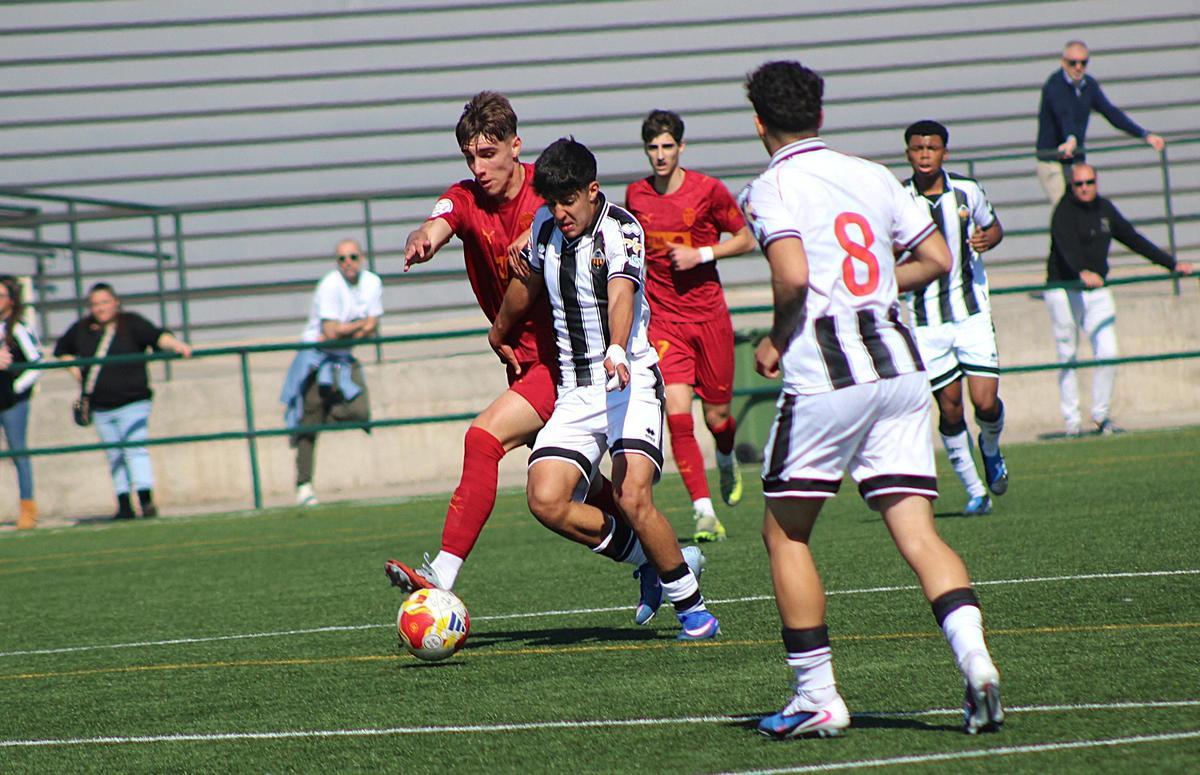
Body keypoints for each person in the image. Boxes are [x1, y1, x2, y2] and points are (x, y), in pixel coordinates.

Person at [738, 61, 1003, 739]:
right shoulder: (874, 175)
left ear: (760, 122)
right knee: (918, 532)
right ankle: (977, 663)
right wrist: (877, 284)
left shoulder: (769, 187)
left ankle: (816, 696)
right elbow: (938, 258)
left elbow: (793, 274)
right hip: (901, 369)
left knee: (785, 533)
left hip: (828, 376)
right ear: (820, 115)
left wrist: (776, 337)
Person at [385, 93, 648, 613]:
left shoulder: (545, 198)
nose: (478, 168)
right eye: (469, 157)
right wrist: (423, 237)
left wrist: (536, 235)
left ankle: (443, 571)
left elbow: (576, 233)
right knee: (584, 491)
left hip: (564, 362)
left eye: (488, 154)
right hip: (525, 365)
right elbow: (440, 220)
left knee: (482, 440)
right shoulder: (465, 199)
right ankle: (663, 560)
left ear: (515, 146)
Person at [489, 137, 719, 639]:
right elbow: (526, 286)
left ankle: (694, 610)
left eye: (569, 200)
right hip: (576, 391)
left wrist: (617, 346)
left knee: (631, 494)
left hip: (627, 381)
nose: (560, 212)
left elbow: (622, 294)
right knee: (545, 498)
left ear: (592, 191)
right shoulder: (544, 227)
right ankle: (652, 561)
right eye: (552, 202)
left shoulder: (622, 229)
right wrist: (499, 331)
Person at [624, 109, 757, 542]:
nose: (660, 155)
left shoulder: (708, 190)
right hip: (665, 322)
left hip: (709, 318)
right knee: (677, 414)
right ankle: (704, 513)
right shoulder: (636, 195)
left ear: (681, 147)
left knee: (717, 417)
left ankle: (726, 456)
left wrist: (702, 254)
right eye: (653, 148)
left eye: (667, 146)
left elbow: (746, 238)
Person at [902, 120, 1008, 517]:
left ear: (945, 152)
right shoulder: (898, 199)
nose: (925, 155)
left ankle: (991, 446)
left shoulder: (967, 191)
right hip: (925, 321)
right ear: (908, 153)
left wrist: (988, 238)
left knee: (985, 402)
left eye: (932, 148)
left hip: (970, 314)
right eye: (917, 148)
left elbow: (994, 228)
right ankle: (975, 491)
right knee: (949, 409)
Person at [1045, 163, 1194, 436]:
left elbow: (1133, 239)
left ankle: (1101, 416)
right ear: (1071, 185)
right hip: (1065, 288)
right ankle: (1072, 423)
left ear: (1096, 182)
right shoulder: (1063, 212)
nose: (1085, 188)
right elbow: (1065, 248)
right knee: (1067, 354)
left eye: (1089, 182)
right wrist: (1080, 272)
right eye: (1079, 184)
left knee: (1108, 352)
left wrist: (1171, 264)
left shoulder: (1104, 209)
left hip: (1098, 290)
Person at [54, 283, 192, 520]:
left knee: (135, 449)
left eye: (105, 302)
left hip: (133, 401)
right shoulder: (82, 329)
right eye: (95, 304)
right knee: (114, 454)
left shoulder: (131, 323)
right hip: (101, 406)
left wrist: (177, 345)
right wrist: (75, 369)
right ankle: (124, 503)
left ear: (115, 302)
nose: (100, 308)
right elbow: (61, 349)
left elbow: (158, 337)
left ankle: (145, 500)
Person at [281, 239, 380, 506]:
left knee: (360, 412)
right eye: (342, 259)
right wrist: (359, 325)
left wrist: (346, 329)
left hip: (343, 358)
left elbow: (371, 326)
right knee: (308, 427)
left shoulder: (372, 282)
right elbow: (330, 331)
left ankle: (321, 415)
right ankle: (303, 486)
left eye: (353, 257)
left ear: (361, 258)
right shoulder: (330, 285)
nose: (348, 263)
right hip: (316, 358)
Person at [1035, 40, 1166, 205]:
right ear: (1063, 62)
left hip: (1075, 159)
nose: (1078, 67)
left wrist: (1144, 135)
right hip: (1053, 160)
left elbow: (1111, 113)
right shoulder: (1055, 85)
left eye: (1083, 63)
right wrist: (1071, 138)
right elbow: (1063, 114)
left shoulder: (1089, 85)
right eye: (1073, 63)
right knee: (1064, 209)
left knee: (1085, 207)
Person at [0, 275, 43, 530]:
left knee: (19, 452)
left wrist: (16, 387)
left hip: (12, 402)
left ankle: (28, 508)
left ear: (12, 300)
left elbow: (36, 362)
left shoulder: (18, 328)